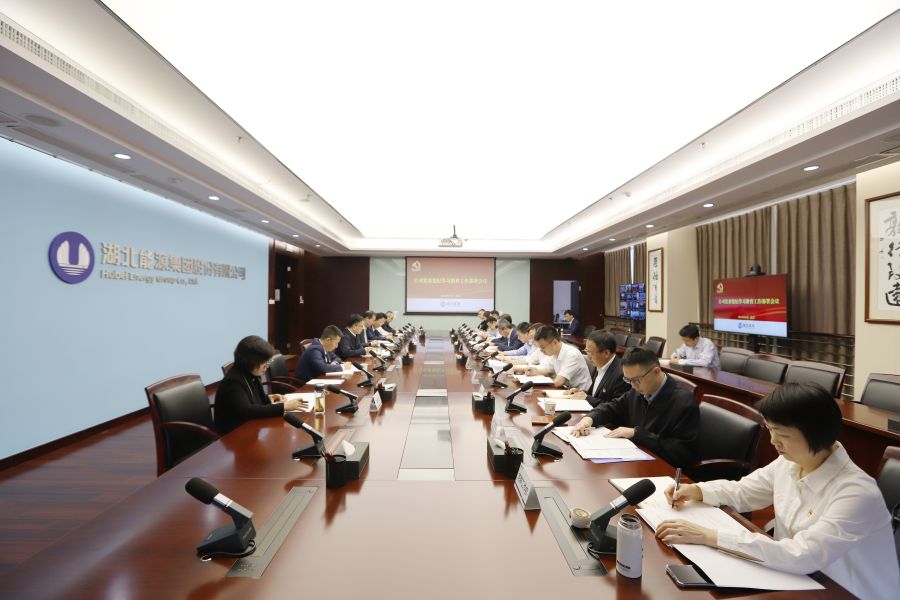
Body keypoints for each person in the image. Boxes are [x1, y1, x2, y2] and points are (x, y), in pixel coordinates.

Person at [657, 383, 900, 600]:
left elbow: (802, 554)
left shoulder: (857, 493)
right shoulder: (791, 461)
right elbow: (744, 491)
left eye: (782, 434)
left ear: (816, 434)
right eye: (770, 430)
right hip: (797, 580)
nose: (773, 441)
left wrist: (709, 536)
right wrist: (698, 490)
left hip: (846, 591)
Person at [570, 346, 699, 466]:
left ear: (656, 372)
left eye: (636, 380)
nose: (632, 385)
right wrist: (589, 419)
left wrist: (637, 434)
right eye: (628, 380)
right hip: (636, 458)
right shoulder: (638, 390)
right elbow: (613, 407)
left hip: (663, 469)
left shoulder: (683, 402)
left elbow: (682, 452)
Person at [214, 335, 308, 434]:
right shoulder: (233, 382)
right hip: (233, 434)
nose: (267, 366)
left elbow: (251, 399)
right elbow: (247, 411)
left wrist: (268, 398)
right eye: (264, 362)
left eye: (268, 361)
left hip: (250, 427)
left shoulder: (251, 373)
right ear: (250, 361)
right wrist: (284, 406)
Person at [564, 330, 629, 406]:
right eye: (587, 351)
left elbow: (616, 407)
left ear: (606, 353)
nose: (588, 357)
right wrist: (579, 393)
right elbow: (595, 395)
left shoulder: (622, 373)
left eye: (590, 353)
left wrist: (587, 398)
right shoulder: (600, 364)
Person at [529, 325, 592, 391]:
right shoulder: (554, 353)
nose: (541, 351)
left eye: (542, 347)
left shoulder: (572, 354)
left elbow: (558, 382)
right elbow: (548, 371)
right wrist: (534, 372)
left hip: (581, 393)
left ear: (554, 342)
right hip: (567, 390)